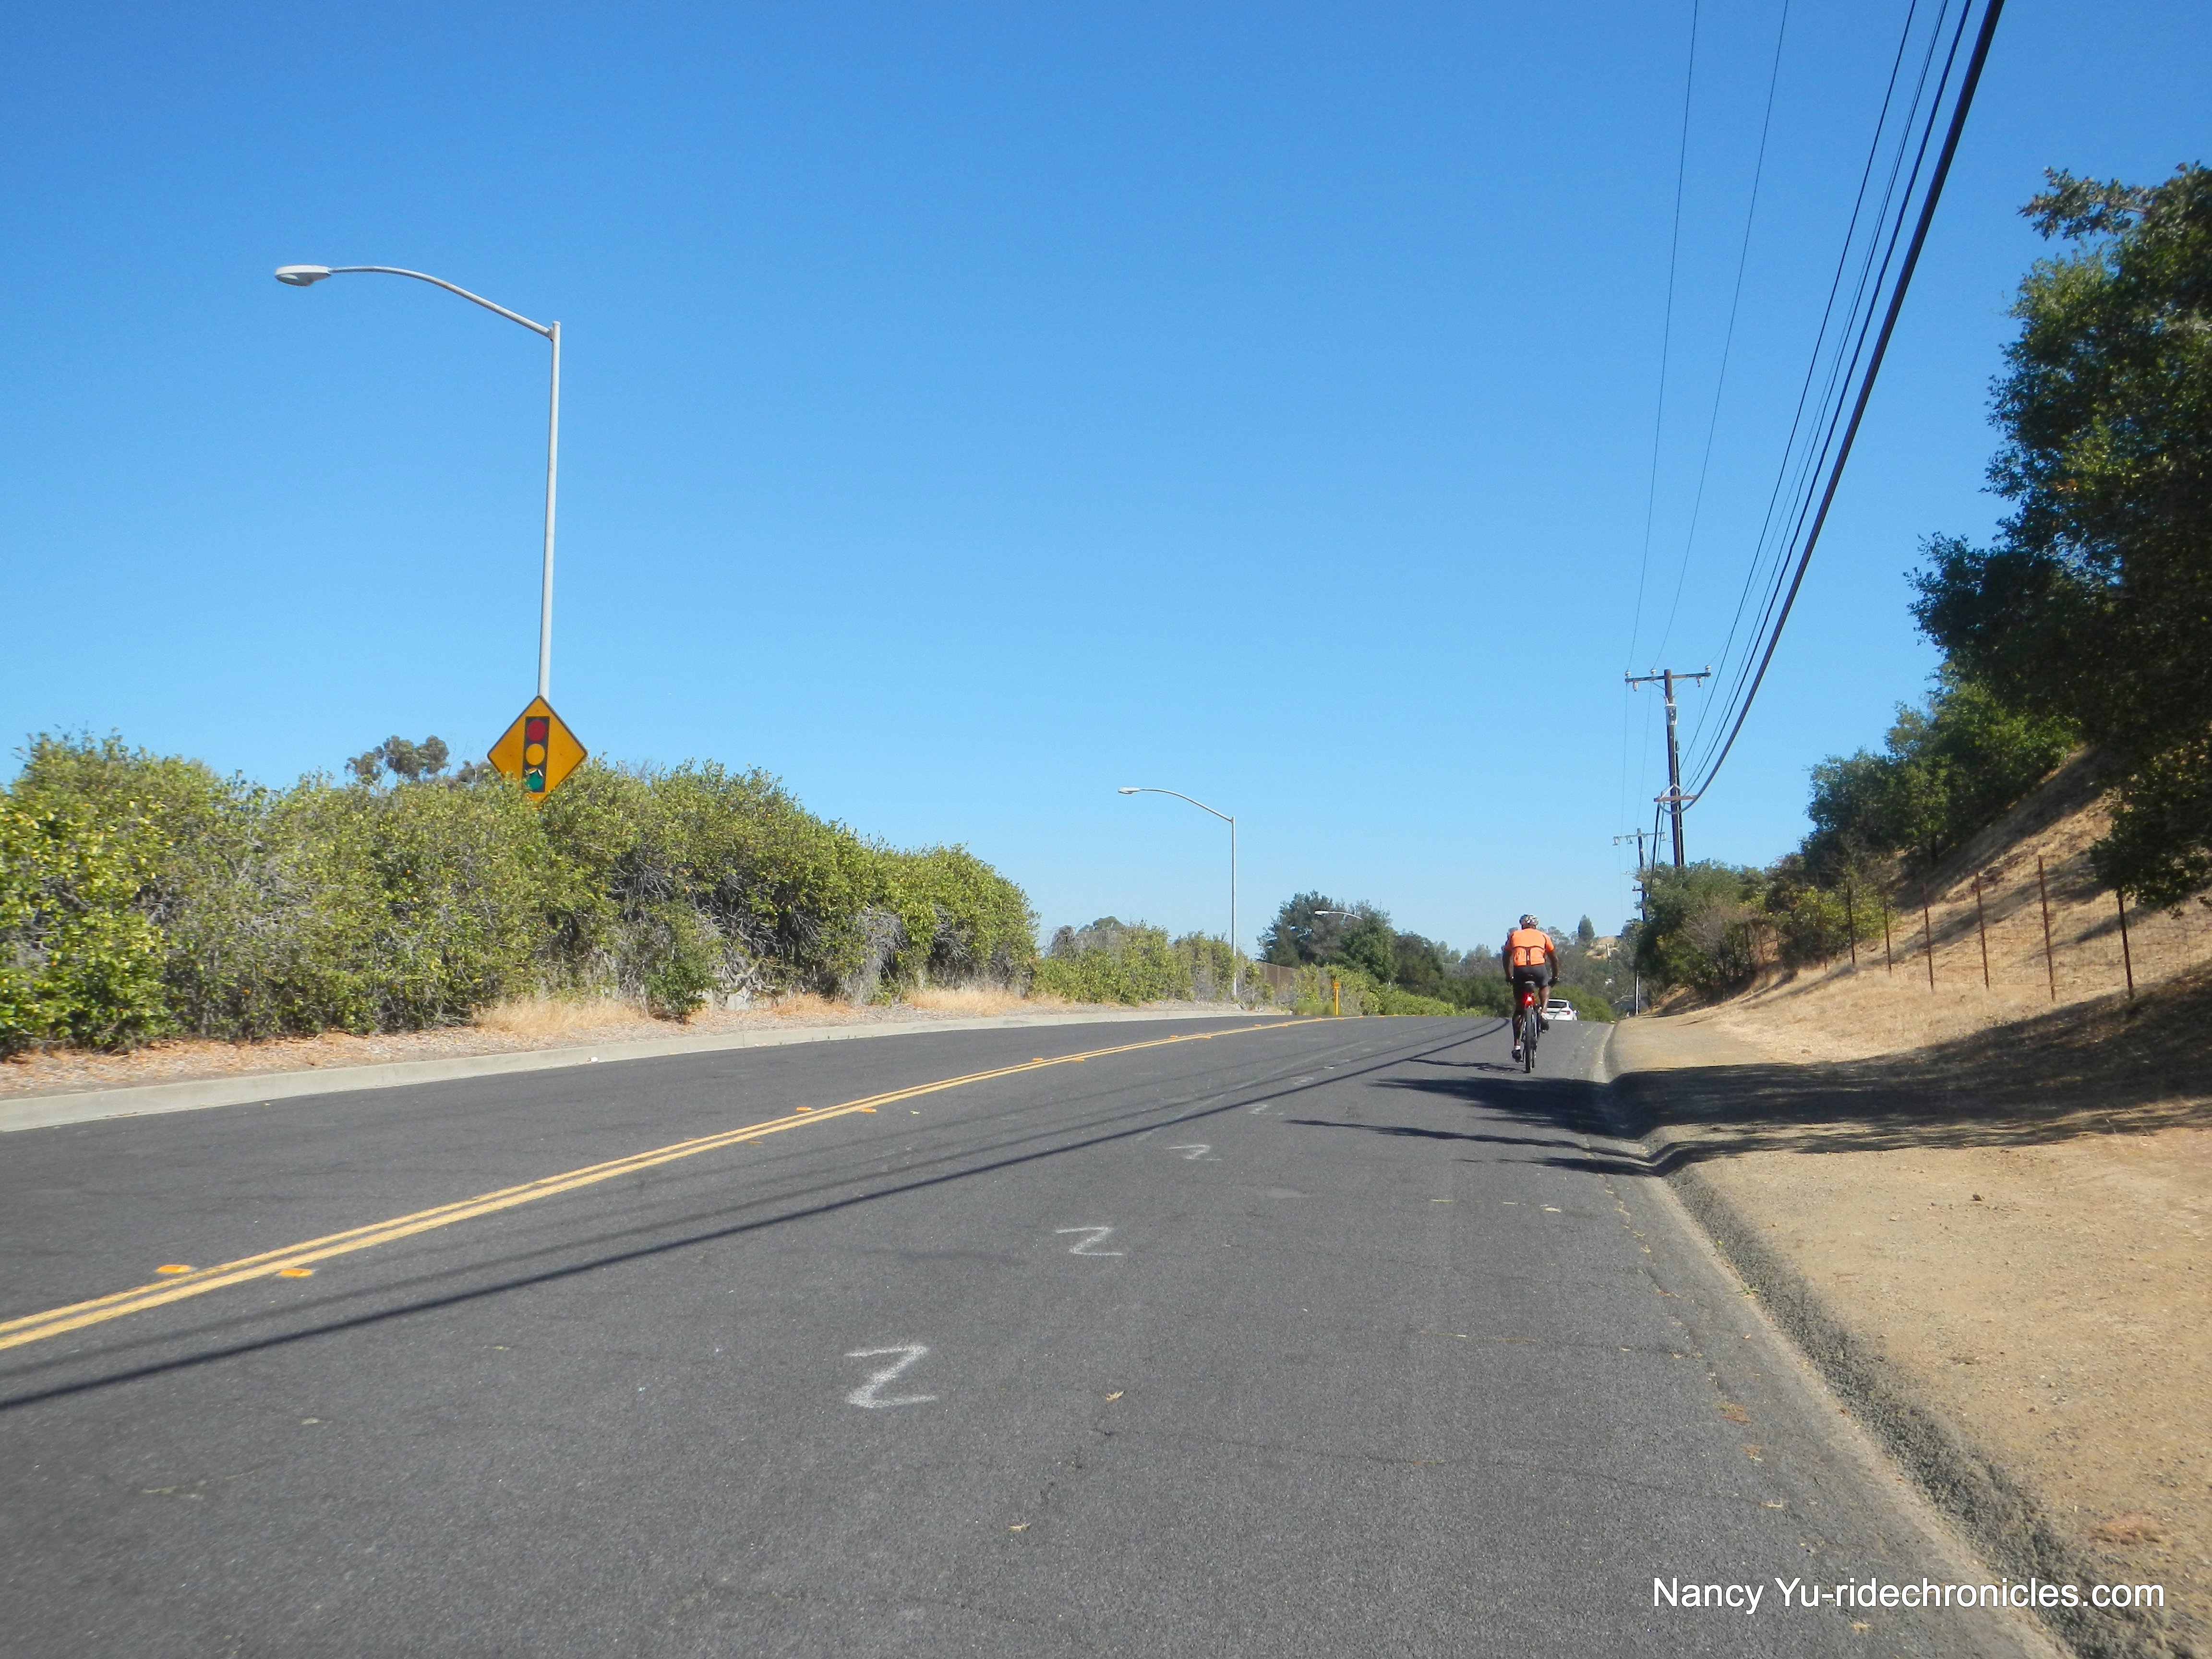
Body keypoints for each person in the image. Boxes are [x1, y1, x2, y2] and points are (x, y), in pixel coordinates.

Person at [1502, 914, 1557, 1061]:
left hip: (1520, 970)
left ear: (1522, 925)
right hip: (1539, 969)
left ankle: (1517, 1046)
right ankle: (1544, 1013)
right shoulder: (1543, 936)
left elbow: (1506, 958)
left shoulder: (1514, 935)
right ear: (1535, 925)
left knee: (1519, 1010)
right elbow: (1554, 958)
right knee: (1544, 986)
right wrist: (1555, 976)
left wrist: (1509, 976)